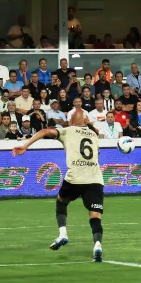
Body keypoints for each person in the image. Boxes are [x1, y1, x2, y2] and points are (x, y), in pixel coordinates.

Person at [12, 110, 105, 262]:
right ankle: (97, 245)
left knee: (61, 201)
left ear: (72, 121)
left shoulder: (67, 131)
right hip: (95, 178)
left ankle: (63, 234)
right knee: (95, 215)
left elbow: (44, 131)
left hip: (75, 178)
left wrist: (25, 145)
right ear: (85, 121)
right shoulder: (94, 135)